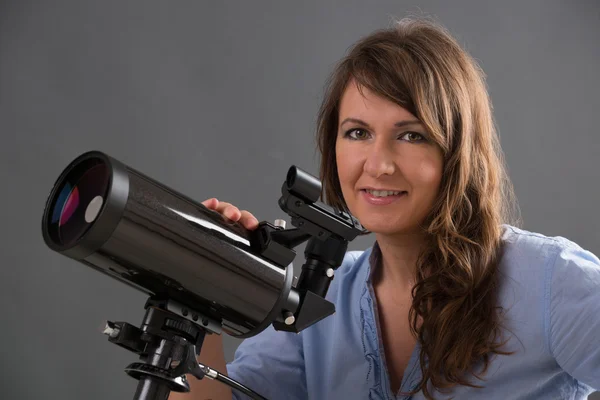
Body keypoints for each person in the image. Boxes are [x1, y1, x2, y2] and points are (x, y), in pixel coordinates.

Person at [170, 17, 600, 400]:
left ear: (458, 152)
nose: (378, 164)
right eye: (357, 133)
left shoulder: (552, 283)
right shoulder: (320, 301)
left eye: (411, 135)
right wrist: (203, 289)